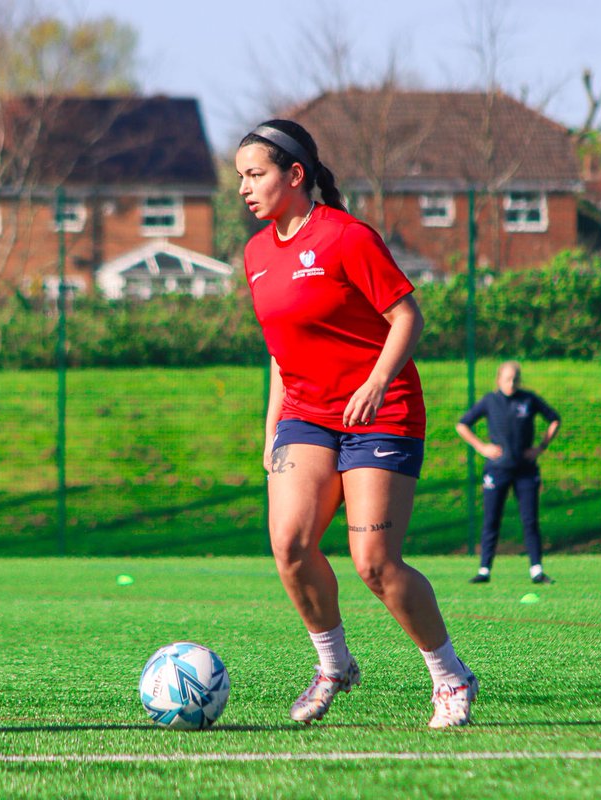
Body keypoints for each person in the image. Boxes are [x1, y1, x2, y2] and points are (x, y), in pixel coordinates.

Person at [236, 119, 477, 729]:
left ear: (295, 175)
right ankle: (334, 665)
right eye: (240, 176)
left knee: (373, 562)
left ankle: (450, 676)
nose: (244, 187)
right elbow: (279, 348)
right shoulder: (257, 252)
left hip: (381, 411)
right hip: (306, 416)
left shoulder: (347, 237)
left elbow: (407, 318)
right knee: (290, 545)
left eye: (255, 174)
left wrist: (375, 383)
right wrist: (271, 427)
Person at [456, 361, 561, 584]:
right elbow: (462, 425)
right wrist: (481, 447)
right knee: (491, 520)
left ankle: (536, 570)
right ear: (498, 380)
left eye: (515, 379)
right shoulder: (490, 401)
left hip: (525, 470)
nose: (511, 383)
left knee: (530, 520)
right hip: (497, 470)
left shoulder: (528, 400)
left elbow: (554, 419)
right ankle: (484, 569)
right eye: (507, 379)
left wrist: (541, 447)